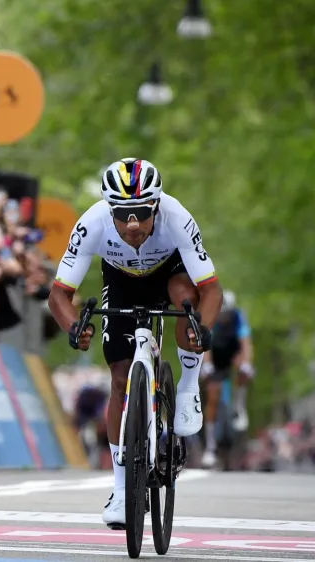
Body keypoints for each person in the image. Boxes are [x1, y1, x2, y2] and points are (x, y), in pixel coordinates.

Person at [47, 158, 223, 528]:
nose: (132, 224)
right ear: (109, 210)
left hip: (170, 273)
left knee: (187, 301)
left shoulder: (177, 218)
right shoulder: (91, 224)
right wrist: (74, 327)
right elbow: (59, 294)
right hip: (121, 280)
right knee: (119, 378)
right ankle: (121, 489)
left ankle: (188, 387)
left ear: (156, 206)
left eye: (142, 213)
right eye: (122, 214)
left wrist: (202, 329)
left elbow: (211, 289)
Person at [199, 289, 254, 467]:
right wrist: (207, 365)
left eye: (226, 315)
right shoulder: (211, 316)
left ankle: (239, 404)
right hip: (214, 356)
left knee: (244, 369)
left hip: (232, 353)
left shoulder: (239, 317)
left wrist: (246, 364)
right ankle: (210, 447)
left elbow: (246, 344)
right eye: (221, 315)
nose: (224, 318)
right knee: (212, 397)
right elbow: (206, 346)